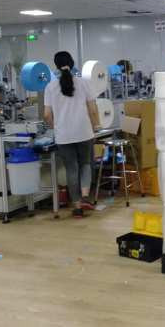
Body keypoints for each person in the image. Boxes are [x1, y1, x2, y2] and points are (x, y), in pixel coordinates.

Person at [44, 51, 101, 218]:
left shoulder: (50, 87)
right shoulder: (83, 83)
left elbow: (47, 114)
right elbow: (92, 109)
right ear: (72, 63)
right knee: (85, 164)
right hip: (84, 132)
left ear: (55, 66)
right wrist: (96, 126)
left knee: (71, 169)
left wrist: (55, 126)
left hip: (64, 135)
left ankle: (77, 207)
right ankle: (85, 197)